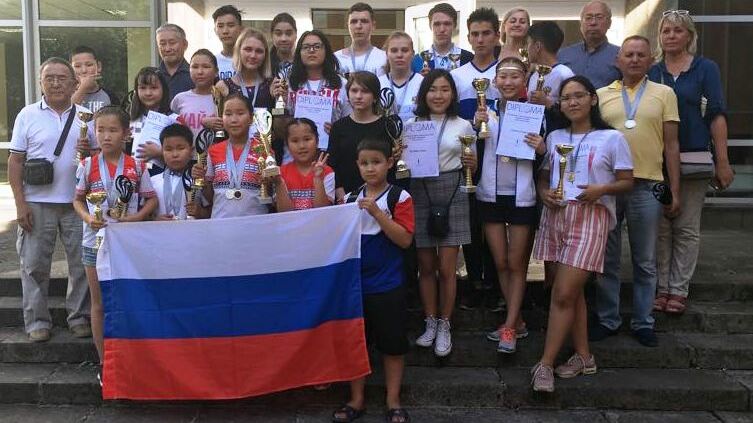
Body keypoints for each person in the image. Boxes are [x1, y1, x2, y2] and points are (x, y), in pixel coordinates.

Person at [530, 75, 634, 393]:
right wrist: (544, 192)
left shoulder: (611, 138)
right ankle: (584, 356)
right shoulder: (555, 136)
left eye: (579, 95)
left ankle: (545, 364)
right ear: (559, 104)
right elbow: (545, 177)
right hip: (556, 217)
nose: (572, 102)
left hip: (591, 217)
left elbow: (627, 181)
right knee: (569, 293)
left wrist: (601, 189)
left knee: (563, 294)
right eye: (566, 98)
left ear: (592, 99)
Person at [592, 36, 681, 347]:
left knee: (645, 259)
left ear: (650, 60)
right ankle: (608, 319)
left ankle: (643, 322)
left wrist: (674, 189)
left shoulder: (664, 93)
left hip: (648, 184)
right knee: (607, 257)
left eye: (640, 55)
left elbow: (671, 145)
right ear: (618, 60)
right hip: (610, 185)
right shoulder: (601, 95)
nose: (634, 59)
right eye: (628, 54)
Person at [649, 10, 734, 314]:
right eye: (666, 30)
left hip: (694, 158)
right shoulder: (652, 70)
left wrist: (723, 160)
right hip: (657, 163)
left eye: (677, 30)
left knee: (686, 227)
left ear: (689, 36)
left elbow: (716, 114)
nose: (671, 35)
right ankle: (661, 287)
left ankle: (678, 289)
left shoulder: (705, 69)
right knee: (660, 227)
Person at [8, 58, 94, 342]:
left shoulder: (86, 117)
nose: (56, 83)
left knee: (81, 264)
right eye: (50, 78)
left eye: (62, 78)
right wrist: (20, 204)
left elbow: (98, 160)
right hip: (37, 202)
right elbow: (15, 161)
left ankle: (79, 317)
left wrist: (89, 151)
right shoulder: (27, 114)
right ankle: (37, 322)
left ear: (74, 83)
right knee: (33, 265)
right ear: (40, 82)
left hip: (77, 203)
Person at [332, 137, 414, 423]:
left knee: (392, 344)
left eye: (376, 162)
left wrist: (378, 213)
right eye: (364, 163)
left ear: (389, 163)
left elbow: (405, 240)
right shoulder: (349, 199)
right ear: (357, 165)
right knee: (357, 344)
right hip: (356, 286)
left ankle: (393, 400)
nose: (370, 168)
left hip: (388, 284)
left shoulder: (400, 197)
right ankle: (356, 399)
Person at [72, 106, 157, 376]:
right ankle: (104, 362)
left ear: (126, 134)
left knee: (129, 300)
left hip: (127, 244)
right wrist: (88, 217)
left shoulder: (137, 166)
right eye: (100, 130)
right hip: (94, 243)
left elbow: (151, 198)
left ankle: (134, 358)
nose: (106, 136)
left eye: (112, 130)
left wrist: (137, 217)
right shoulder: (87, 165)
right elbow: (77, 200)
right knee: (99, 303)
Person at [474, 58, 544, 353]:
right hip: (490, 193)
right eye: (503, 76)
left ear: (525, 80)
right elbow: (473, 150)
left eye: (515, 76)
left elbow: (545, 155)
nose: (508, 82)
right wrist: (476, 127)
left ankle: (510, 326)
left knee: (517, 263)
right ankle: (517, 322)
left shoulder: (535, 112)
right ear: (494, 81)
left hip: (521, 194)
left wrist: (541, 148)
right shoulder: (483, 111)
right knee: (500, 262)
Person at [410, 70, 476, 357]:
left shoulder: (464, 124)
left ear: (453, 94)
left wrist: (471, 162)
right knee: (425, 265)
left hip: (453, 189)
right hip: (420, 189)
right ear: (424, 93)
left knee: (448, 267)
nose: (438, 95)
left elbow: (472, 164)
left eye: (445, 89)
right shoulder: (412, 125)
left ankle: (446, 323)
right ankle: (430, 320)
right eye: (433, 89)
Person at [451, 7, 500, 309]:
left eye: (486, 33)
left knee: (493, 219)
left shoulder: (506, 72)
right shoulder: (457, 76)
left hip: (499, 156)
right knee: (469, 219)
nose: (480, 39)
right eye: (475, 34)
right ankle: (474, 280)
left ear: (497, 35)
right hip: (467, 154)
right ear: (468, 38)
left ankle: (494, 282)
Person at [271, 30, 350, 163]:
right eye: (306, 47)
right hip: (292, 160)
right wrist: (280, 104)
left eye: (317, 46)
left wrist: (337, 131)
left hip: (329, 158)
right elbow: (279, 129)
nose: (311, 51)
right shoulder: (288, 84)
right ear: (299, 53)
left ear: (326, 51)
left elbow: (350, 123)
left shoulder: (341, 84)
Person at [191, 92, 270, 219]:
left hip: (256, 222)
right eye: (228, 114)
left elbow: (271, 191)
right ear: (222, 118)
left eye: (240, 113)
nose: (234, 120)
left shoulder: (264, 150)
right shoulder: (214, 151)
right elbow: (210, 198)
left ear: (251, 118)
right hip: (221, 223)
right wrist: (202, 180)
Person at [328, 71, 388, 202]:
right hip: (346, 196)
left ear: (375, 97)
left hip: (382, 196)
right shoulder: (339, 127)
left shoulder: (387, 126)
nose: (359, 96)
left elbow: (390, 163)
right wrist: (340, 192)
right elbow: (332, 164)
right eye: (354, 91)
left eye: (365, 91)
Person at [274, 118, 335, 211]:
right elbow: (284, 212)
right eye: (295, 141)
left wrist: (318, 179)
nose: (302, 146)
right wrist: (279, 184)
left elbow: (323, 211)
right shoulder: (281, 173)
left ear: (317, 141)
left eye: (307, 139)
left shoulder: (327, 172)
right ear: (287, 145)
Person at [558, 1, 621, 90]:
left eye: (599, 17)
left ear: (609, 23)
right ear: (581, 23)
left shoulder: (621, 55)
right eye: (588, 18)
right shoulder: (563, 55)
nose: (593, 22)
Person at [128, 66, 175, 175]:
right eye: (143, 88)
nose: (148, 93)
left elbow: (183, 155)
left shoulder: (173, 120)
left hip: (164, 178)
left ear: (164, 89)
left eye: (154, 88)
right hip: (132, 177)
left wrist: (160, 152)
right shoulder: (129, 120)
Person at [216, 28, 274, 114]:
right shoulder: (223, 86)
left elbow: (280, 120)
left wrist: (279, 99)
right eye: (248, 49)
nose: (253, 55)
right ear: (238, 51)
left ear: (265, 55)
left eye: (259, 51)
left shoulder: (273, 85)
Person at [170, 49, 220, 144]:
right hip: (185, 152)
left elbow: (226, 131)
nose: (200, 72)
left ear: (216, 71)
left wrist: (217, 127)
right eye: (195, 67)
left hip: (215, 152)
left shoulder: (223, 99)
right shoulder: (179, 99)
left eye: (206, 67)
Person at [411, 3, 473, 74]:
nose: (442, 29)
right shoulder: (417, 61)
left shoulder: (468, 58)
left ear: (454, 26)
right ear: (430, 26)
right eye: (437, 24)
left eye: (447, 24)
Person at [526, 21, 575, 109]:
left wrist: (548, 103)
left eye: (528, 44)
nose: (527, 49)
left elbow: (573, 108)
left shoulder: (564, 74)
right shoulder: (533, 75)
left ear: (537, 46)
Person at [152, 123, 195, 220]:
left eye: (181, 148)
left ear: (191, 151)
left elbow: (209, 211)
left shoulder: (198, 181)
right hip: (160, 229)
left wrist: (199, 211)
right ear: (162, 151)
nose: (175, 154)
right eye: (168, 149)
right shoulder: (152, 181)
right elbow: (144, 214)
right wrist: (154, 219)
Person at [379, 32, 423, 123]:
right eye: (394, 50)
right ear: (386, 54)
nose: (399, 55)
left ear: (413, 54)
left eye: (405, 50)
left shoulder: (422, 82)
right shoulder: (378, 83)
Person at [334, 2, 388, 77]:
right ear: (347, 26)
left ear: (373, 26)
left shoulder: (384, 58)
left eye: (364, 21)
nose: (358, 26)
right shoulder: (336, 58)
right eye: (354, 22)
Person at [70, 46, 120, 113]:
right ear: (70, 69)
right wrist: (83, 88)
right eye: (77, 66)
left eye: (89, 65)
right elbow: (65, 112)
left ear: (99, 66)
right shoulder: (66, 94)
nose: (84, 70)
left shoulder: (110, 96)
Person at [156, 23, 194, 100]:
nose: (167, 49)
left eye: (172, 43)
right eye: (162, 44)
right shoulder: (154, 76)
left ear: (185, 44)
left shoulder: (195, 76)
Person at [212, 5, 243, 80]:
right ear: (215, 30)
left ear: (240, 29)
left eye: (231, 25)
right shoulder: (212, 62)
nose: (225, 31)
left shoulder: (251, 59)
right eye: (220, 26)